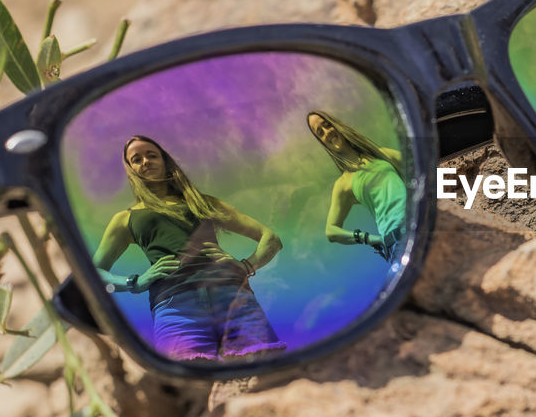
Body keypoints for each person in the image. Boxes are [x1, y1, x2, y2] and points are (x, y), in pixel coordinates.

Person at [92, 135, 285, 361]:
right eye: (136, 159)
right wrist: (135, 283)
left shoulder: (203, 203)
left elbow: (270, 238)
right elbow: (93, 274)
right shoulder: (125, 219)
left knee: (265, 370)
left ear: (165, 160)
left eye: (151, 155)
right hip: (175, 309)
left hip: (232, 297)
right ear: (131, 170)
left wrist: (247, 266)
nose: (145, 161)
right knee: (193, 383)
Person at [306, 110, 408, 264]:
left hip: (421, 220)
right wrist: (366, 238)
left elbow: (423, 167)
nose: (327, 132)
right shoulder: (343, 184)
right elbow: (331, 231)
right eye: (320, 132)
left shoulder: (381, 155)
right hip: (398, 241)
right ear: (322, 142)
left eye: (327, 125)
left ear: (336, 125)